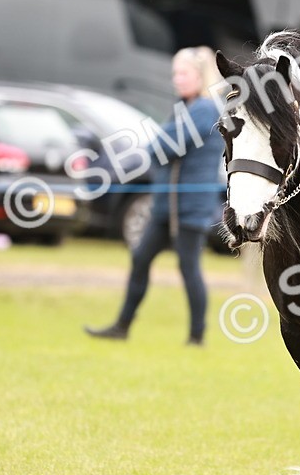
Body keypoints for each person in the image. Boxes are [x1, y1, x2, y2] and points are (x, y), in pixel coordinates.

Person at [86, 47, 224, 345]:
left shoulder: (204, 109)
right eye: (175, 73)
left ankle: (196, 336)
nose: (177, 79)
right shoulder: (184, 108)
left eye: (183, 73)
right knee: (141, 258)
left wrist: (157, 146)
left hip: (189, 207)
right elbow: (162, 147)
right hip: (166, 205)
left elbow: (162, 149)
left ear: (199, 77)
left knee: (189, 268)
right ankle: (122, 326)